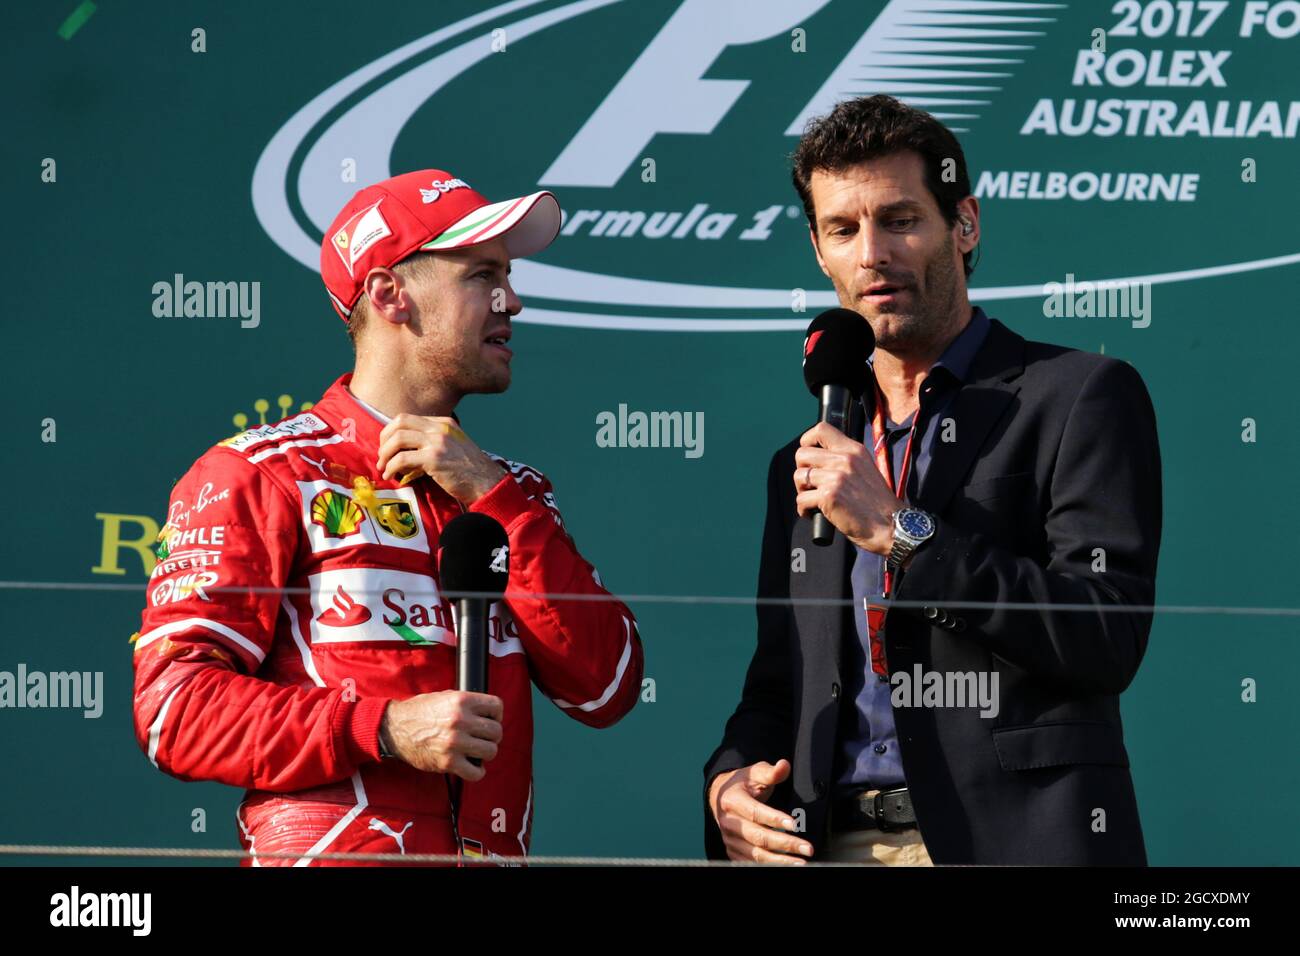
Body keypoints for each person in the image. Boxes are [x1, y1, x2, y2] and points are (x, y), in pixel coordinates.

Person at [132, 169, 644, 866]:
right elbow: (174, 711)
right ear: (389, 294)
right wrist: (384, 727)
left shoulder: (513, 492)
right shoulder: (264, 471)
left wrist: (492, 496)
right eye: (482, 276)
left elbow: (608, 685)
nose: (513, 301)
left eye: (509, 276)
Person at [703, 96, 1161, 865]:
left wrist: (901, 532)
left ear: (965, 224)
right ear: (819, 251)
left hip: (1008, 843)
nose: (873, 252)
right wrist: (727, 786)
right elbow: (781, 685)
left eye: (900, 219)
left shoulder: (1079, 395)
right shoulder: (807, 458)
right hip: (829, 844)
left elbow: (1105, 634)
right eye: (843, 230)